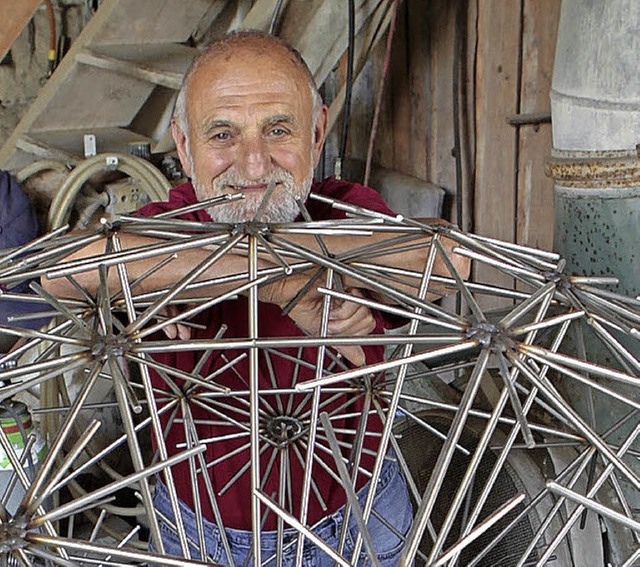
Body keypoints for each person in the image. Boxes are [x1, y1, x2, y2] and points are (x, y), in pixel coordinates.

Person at [46, 31, 469, 566]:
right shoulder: (161, 230)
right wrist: (284, 285)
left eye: (278, 129)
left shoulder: (346, 211)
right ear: (184, 145)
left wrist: (192, 275)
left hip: (361, 520)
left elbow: (448, 257)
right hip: (201, 534)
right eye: (222, 133)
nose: (252, 165)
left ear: (316, 135)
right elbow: (63, 271)